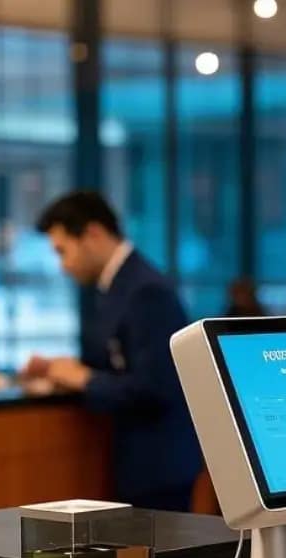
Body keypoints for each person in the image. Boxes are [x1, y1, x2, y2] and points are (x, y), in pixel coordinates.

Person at [23, 191, 201, 512]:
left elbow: (154, 386)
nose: (63, 266)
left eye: (63, 251)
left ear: (92, 234)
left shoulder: (145, 290)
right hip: (140, 464)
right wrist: (64, 371)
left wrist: (84, 379)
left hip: (159, 467)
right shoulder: (116, 285)